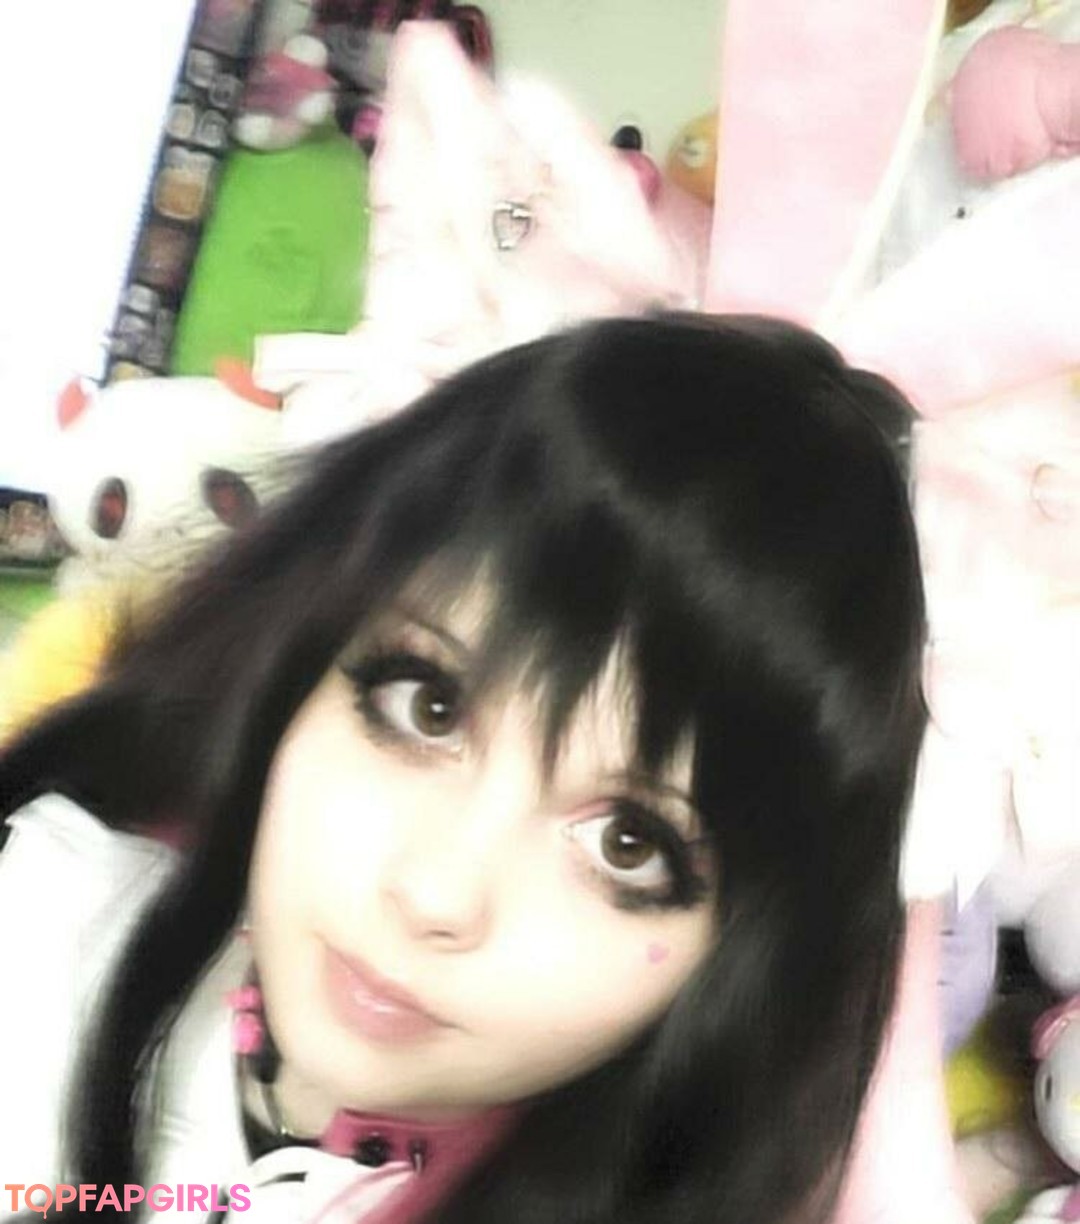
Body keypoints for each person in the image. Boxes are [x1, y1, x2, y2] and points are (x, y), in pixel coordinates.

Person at [0, 314, 927, 1224]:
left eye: (627, 843)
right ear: (300, 660)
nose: (434, 895)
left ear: (748, 958)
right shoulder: (41, 927)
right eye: (426, 706)